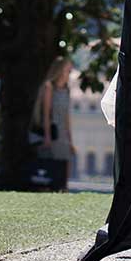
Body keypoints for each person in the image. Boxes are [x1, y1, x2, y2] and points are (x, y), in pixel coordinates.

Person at [34, 56, 75, 191]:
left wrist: (70, 140)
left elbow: (67, 116)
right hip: (52, 131)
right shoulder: (49, 87)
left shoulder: (67, 90)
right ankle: (52, 189)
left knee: (66, 163)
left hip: (63, 133)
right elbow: (46, 114)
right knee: (53, 165)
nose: (69, 72)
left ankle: (64, 190)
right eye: (67, 69)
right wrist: (47, 136)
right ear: (59, 70)